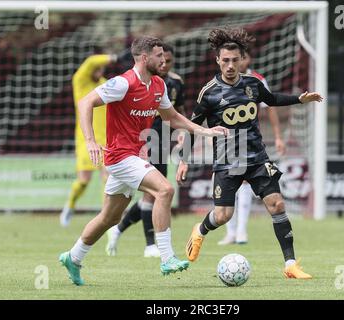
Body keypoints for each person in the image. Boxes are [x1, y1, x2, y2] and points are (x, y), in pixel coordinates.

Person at [58, 36, 228, 285]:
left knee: (110, 218)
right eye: (159, 55)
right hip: (119, 156)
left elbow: (173, 117)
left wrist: (206, 131)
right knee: (165, 190)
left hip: (133, 156)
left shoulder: (159, 85)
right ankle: (167, 257)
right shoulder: (122, 83)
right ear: (145, 57)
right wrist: (91, 141)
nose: (164, 60)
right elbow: (85, 103)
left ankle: (73, 257)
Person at [177, 27, 323, 279]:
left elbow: (272, 99)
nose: (230, 65)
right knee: (223, 215)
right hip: (226, 162)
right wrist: (184, 160)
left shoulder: (253, 84)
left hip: (257, 158)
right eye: (225, 61)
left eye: (235, 60)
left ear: (242, 59)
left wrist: (300, 99)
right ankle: (200, 230)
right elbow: (193, 126)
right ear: (218, 61)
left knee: (277, 204)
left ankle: (290, 265)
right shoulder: (209, 92)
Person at [105, 43, 186, 258]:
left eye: (167, 60)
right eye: (160, 58)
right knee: (156, 194)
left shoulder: (175, 83)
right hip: (145, 141)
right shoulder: (137, 82)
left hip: (163, 142)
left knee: (150, 196)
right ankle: (151, 245)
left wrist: (183, 135)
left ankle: (118, 228)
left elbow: (179, 113)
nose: (164, 63)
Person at [218, 48, 286, 245]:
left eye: (241, 58)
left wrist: (278, 136)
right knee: (228, 183)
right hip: (226, 142)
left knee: (247, 184)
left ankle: (241, 231)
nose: (236, 63)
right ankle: (230, 231)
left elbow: (270, 108)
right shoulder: (220, 83)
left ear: (246, 59)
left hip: (248, 141)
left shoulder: (256, 80)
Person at [59, 54, 116, 227]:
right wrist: (113, 57)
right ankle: (70, 206)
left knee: (107, 177)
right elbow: (91, 61)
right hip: (86, 139)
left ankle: (104, 216)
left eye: (102, 69)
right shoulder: (80, 80)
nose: (100, 71)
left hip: (106, 139)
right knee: (83, 181)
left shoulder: (104, 85)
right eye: (97, 68)